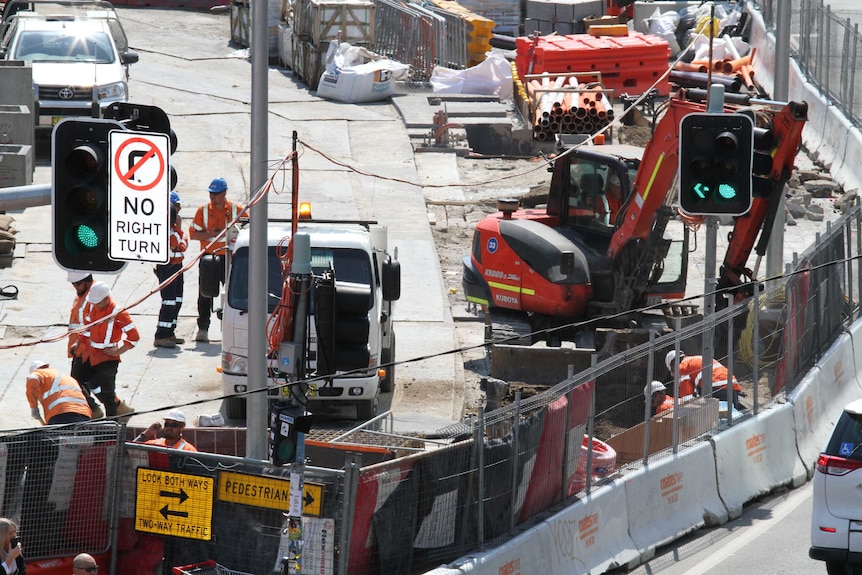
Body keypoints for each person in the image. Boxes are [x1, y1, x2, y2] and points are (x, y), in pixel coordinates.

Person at [189, 177, 245, 343]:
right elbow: (193, 234)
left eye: (216, 194)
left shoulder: (237, 210)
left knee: (233, 295)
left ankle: (233, 329)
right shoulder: (203, 211)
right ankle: (203, 329)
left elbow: (249, 231)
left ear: (224, 193)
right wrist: (213, 234)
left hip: (231, 258)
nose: (213, 197)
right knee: (205, 294)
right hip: (209, 259)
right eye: (211, 194)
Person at [77, 282, 137, 419]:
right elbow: (87, 329)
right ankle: (94, 410)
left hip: (108, 358)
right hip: (91, 355)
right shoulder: (92, 308)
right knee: (77, 381)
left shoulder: (119, 313)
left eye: (98, 303)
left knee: (108, 393)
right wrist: (79, 344)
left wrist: (118, 352)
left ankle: (112, 422)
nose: (96, 305)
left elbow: (134, 337)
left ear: (106, 298)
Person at [66, 271, 103, 419]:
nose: (74, 287)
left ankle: (94, 410)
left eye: (76, 284)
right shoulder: (82, 295)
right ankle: (116, 407)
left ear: (86, 281)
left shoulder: (92, 298)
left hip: (85, 349)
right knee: (91, 382)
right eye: (73, 284)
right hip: (79, 348)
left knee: (76, 383)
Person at [154, 202, 189, 348]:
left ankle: (169, 332)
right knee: (168, 301)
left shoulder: (173, 231)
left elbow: (183, 245)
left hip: (177, 266)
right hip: (168, 267)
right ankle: (161, 335)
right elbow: (180, 244)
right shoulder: (164, 232)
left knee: (177, 300)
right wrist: (180, 242)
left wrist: (181, 242)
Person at [665, 350, 744, 410]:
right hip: (732, 386)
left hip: (717, 387)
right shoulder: (696, 359)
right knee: (733, 417)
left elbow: (687, 397)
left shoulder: (682, 367)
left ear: (673, 366)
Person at [26, 360, 91, 425]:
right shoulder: (64, 376)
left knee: (61, 434)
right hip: (84, 413)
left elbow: (32, 378)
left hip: (61, 413)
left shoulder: (40, 373)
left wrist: (33, 408)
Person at [133, 409, 197, 451]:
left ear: (182, 427)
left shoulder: (188, 449)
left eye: (174, 425)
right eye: (167, 424)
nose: (169, 428)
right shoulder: (155, 444)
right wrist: (146, 433)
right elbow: (129, 449)